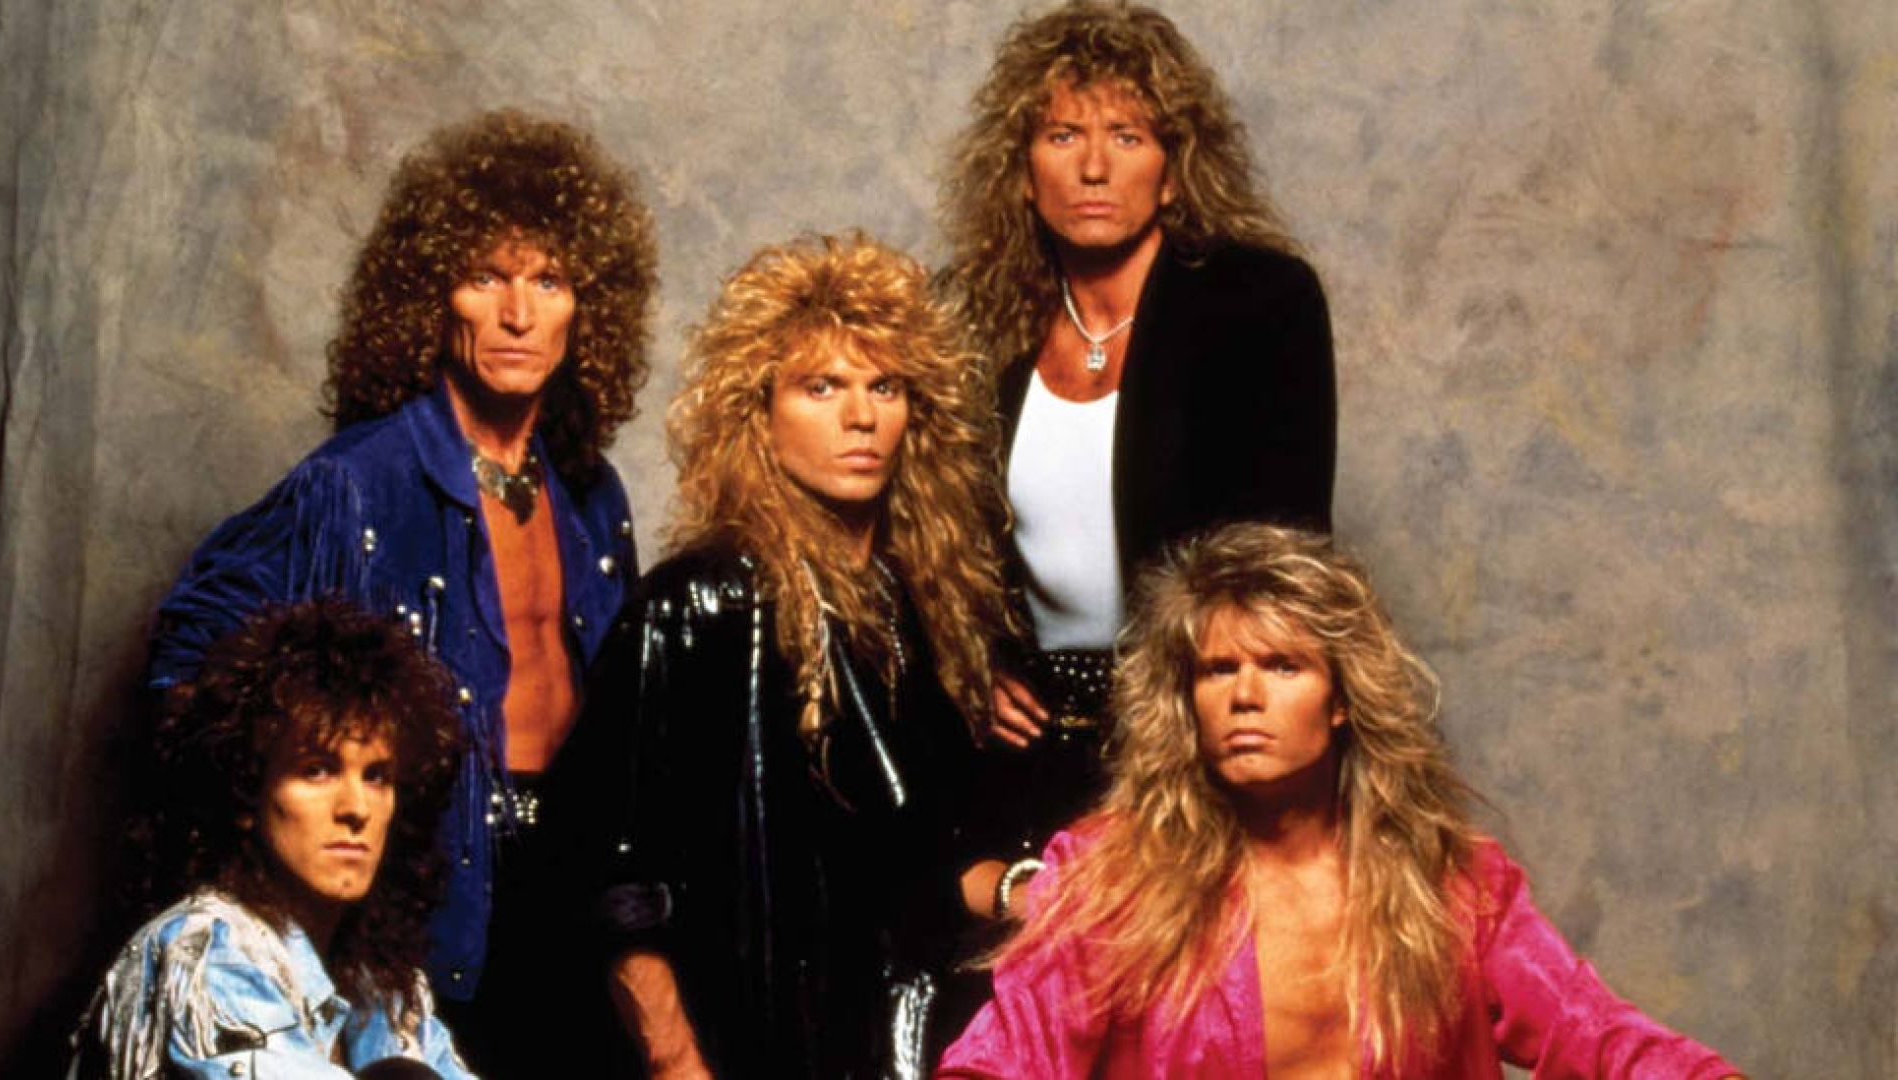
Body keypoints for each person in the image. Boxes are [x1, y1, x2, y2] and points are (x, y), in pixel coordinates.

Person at [145, 108, 656, 1074]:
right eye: (485, 278)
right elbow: (190, 658)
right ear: (430, 298)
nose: (518, 315)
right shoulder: (357, 481)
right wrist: (289, 863)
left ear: (586, 307)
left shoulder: (593, 494)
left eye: (548, 281)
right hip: (436, 896)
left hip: (579, 889)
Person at [937, 524, 1744, 1080]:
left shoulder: (1449, 881)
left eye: (1282, 666)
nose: (1245, 696)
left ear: (1340, 700)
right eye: (1219, 671)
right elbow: (1004, 1056)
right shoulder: (1116, 878)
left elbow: (1593, 1032)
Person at [550, 234, 1010, 1079]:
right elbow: (611, 877)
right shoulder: (695, 602)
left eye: (885, 387)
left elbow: (925, 862)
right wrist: (676, 1063)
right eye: (821, 387)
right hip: (737, 1049)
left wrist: (1035, 892)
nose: (861, 417)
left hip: (881, 1047)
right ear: (757, 412)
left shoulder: (902, 606)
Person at [940, 0, 1338, 858]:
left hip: (1209, 730)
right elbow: (922, 537)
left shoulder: (1260, 303)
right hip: (1033, 748)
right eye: (1062, 136)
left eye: (1127, 136)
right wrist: (968, 657)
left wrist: (1202, 704)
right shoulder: (975, 325)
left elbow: (1287, 560)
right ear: (1021, 171)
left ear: (1173, 170)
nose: (1093, 167)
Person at [70, 600, 472, 1080]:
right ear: (246, 791)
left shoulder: (381, 979)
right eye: (316, 770)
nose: (357, 808)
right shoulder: (204, 952)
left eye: (377, 776)